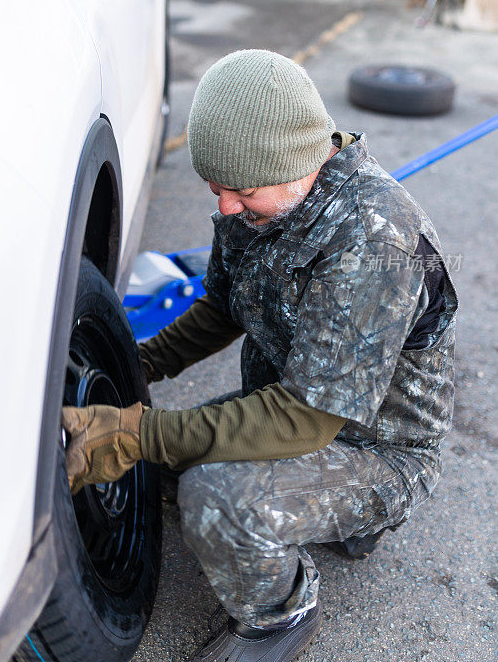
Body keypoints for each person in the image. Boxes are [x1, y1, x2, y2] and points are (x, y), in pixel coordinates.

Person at [62, 49, 458, 662]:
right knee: (166, 466)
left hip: (374, 446)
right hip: (291, 405)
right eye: (215, 189)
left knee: (214, 495)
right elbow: (222, 309)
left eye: (240, 191)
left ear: (298, 164)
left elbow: (305, 419)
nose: (223, 207)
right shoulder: (258, 202)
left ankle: (281, 614)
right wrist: (135, 362)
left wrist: (140, 433)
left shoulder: (377, 244)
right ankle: (309, 519)